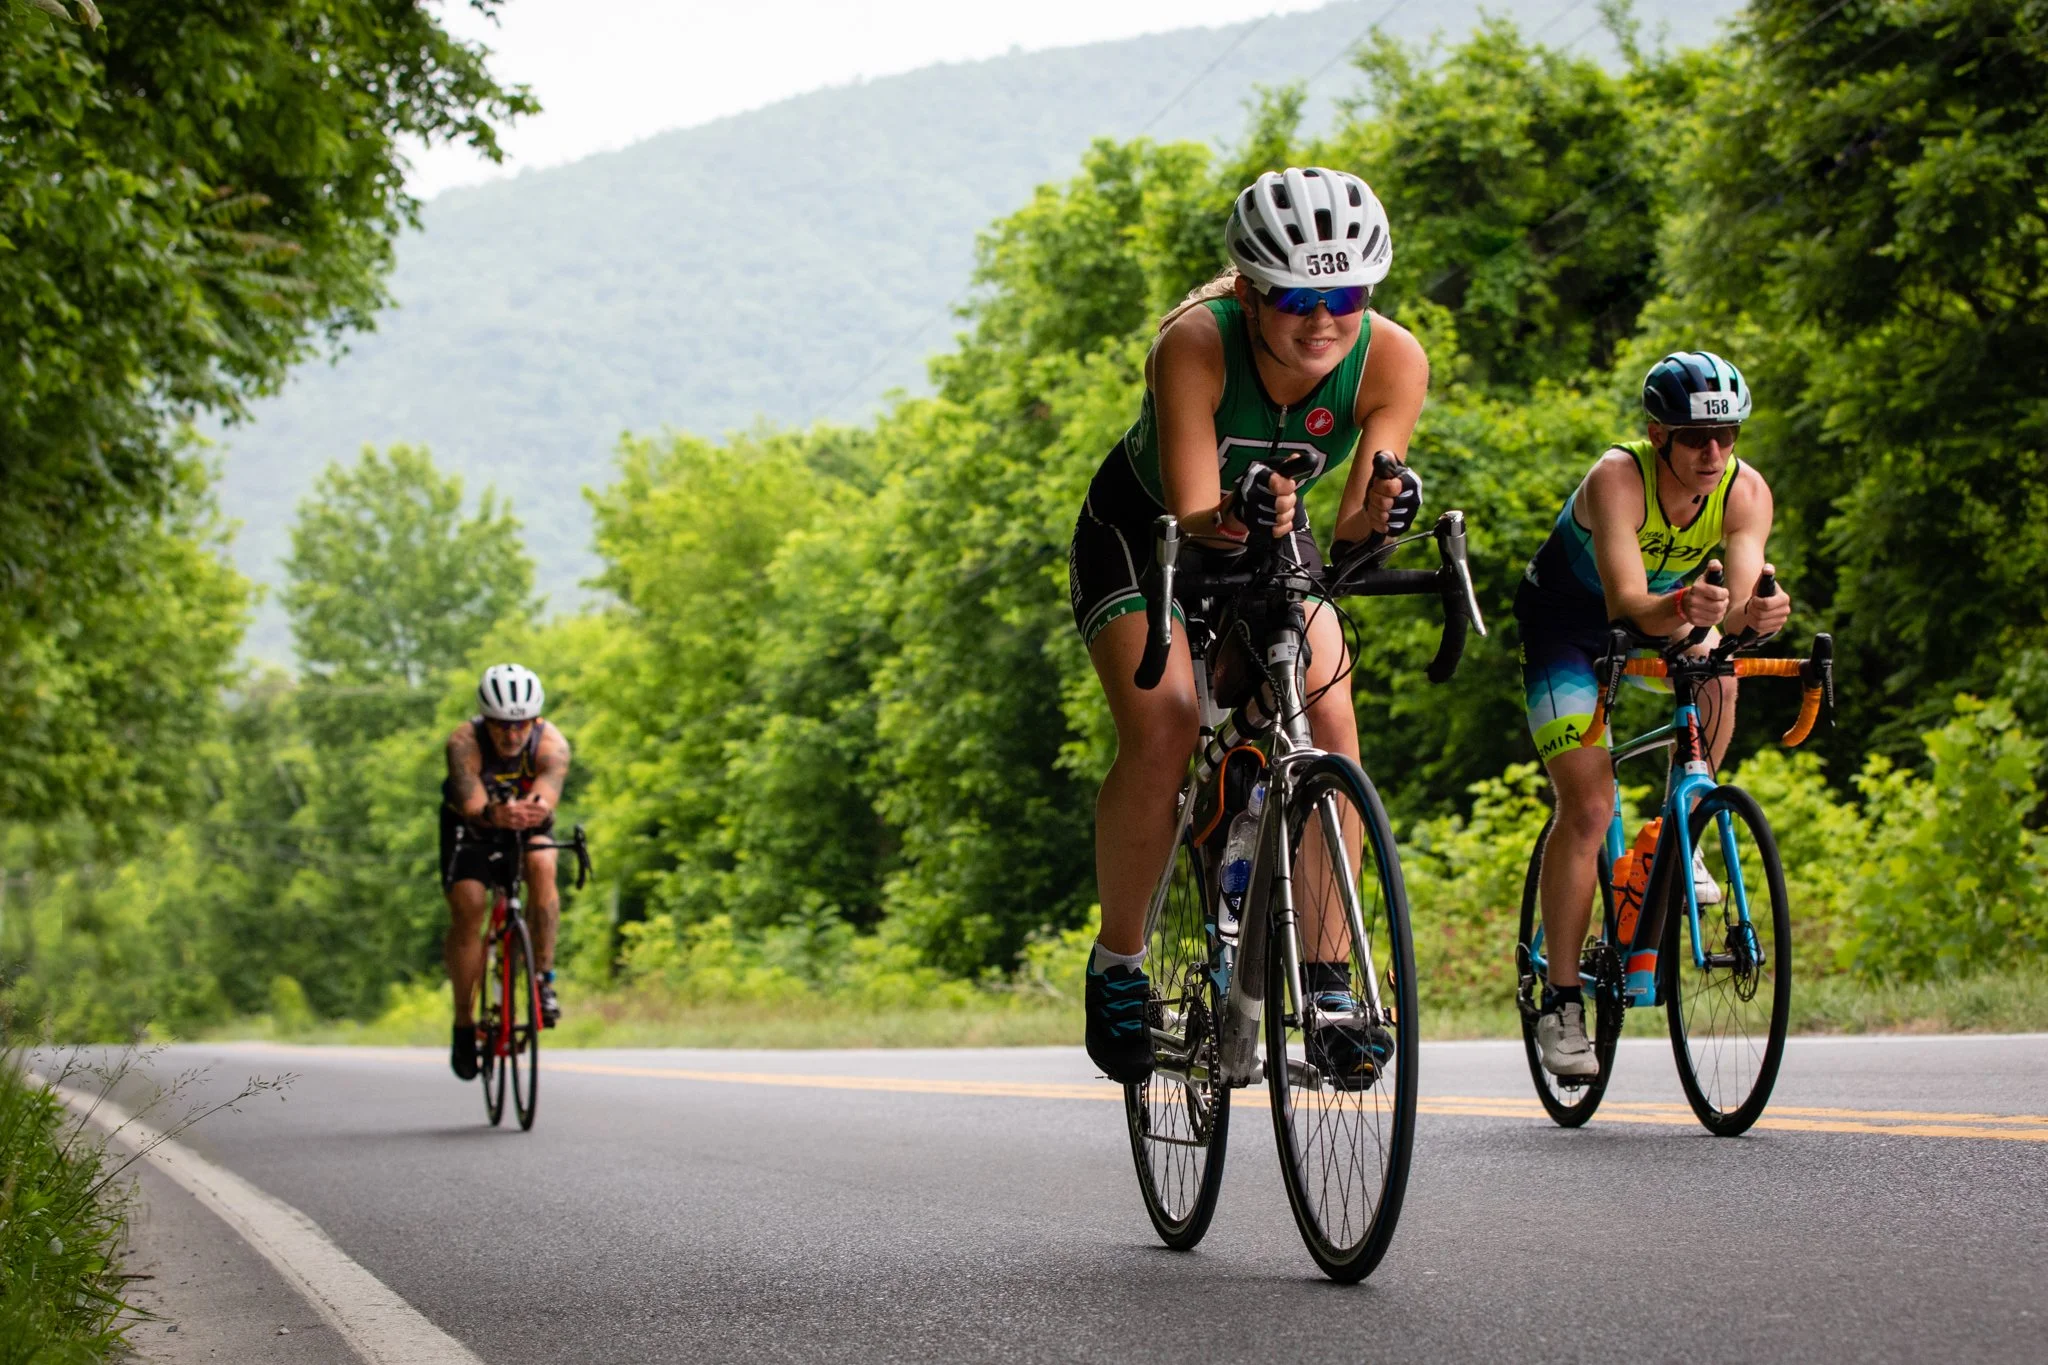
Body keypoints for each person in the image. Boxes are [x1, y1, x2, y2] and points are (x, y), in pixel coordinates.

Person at [1067, 166, 1429, 1086]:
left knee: (1331, 710)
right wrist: (1243, 513)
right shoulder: (1195, 341)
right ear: (1248, 290)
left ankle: (1332, 978)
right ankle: (1119, 963)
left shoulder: (1392, 360)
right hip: (1147, 533)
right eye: (1297, 298)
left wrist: (1382, 511)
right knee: (1167, 722)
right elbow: (1197, 514)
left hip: (1277, 525)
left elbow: (1346, 535)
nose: (1323, 320)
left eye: (1345, 295)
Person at [1515, 351, 1793, 1078]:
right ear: (1657, 434)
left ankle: (1682, 829)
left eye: (1727, 435)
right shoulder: (1619, 476)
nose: (1713, 452)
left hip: (1667, 614)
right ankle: (1562, 1000)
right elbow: (1627, 604)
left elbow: (1732, 605)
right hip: (1570, 628)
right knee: (1587, 801)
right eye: (1695, 437)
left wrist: (1758, 617)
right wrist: (1688, 609)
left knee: (1721, 678)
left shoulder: (1745, 492)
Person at [440, 663, 572, 1080]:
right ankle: (464, 1023)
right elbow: (472, 802)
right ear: (485, 720)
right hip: (474, 826)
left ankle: (543, 979)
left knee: (542, 862)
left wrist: (533, 808)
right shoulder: (463, 742)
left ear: (534, 721)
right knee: (469, 905)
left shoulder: (552, 744)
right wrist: (494, 813)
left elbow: (546, 796)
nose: (512, 736)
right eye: (501, 727)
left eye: (521, 726)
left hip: (527, 824)